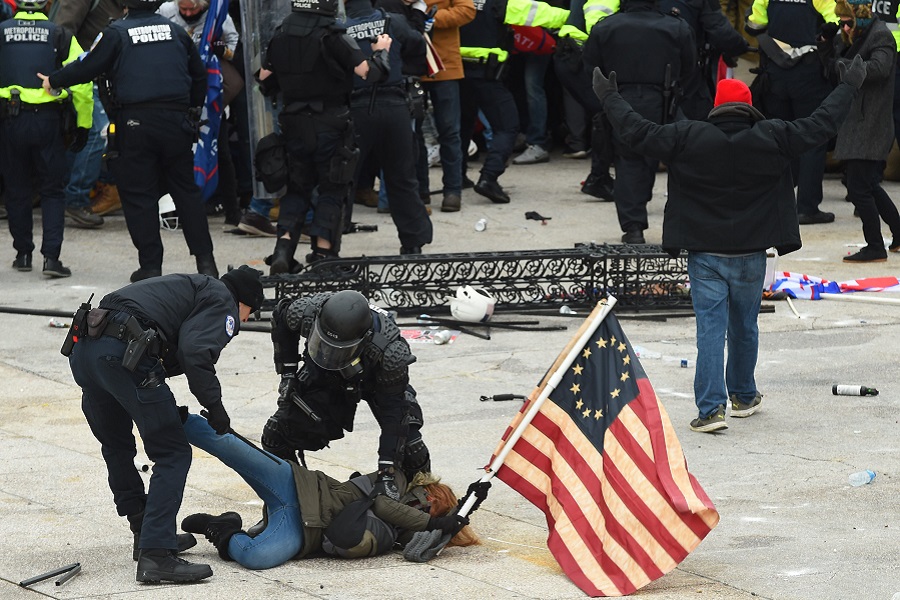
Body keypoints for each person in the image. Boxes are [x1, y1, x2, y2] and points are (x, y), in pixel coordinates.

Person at [590, 56, 865, 431]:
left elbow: (636, 131)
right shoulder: (774, 135)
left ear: (716, 107)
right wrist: (848, 86)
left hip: (705, 255)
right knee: (745, 327)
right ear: (749, 106)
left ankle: (711, 411)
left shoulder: (686, 136)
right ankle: (744, 395)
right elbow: (822, 122)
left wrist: (610, 98)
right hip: (752, 254)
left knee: (710, 331)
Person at [65, 265, 264, 582]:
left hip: (85, 352)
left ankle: (145, 531)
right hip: (123, 355)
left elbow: (172, 342)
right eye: (251, 312)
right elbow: (195, 350)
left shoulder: (189, 286)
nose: (247, 319)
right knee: (172, 453)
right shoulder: (223, 299)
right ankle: (156, 554)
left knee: (116, 447)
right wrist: (215, 406)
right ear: (244, 301)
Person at [39, 0, 219, 283]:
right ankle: (206, 263)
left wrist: (54, 80)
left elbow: (88, 66)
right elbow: (199, 75)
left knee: (139, 195)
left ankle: (150, 267)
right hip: (176, 123)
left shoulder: (116, 33)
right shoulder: (175, 31)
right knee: (186, 192)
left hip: (135, 123)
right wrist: (191, 113)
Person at [178, 411, 477, 569]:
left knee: (255, 558)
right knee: (231, 448)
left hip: (302, 530)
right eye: (430, 505)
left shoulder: (389, 536)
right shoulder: (394, 479)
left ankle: (220, 528)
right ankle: (173, 415)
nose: (424, 509)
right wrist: (434, 523)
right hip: (299, 487)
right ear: (431, 494)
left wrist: (436, 532)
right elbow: (385, 505)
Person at [258, 0, 392, 270]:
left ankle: (283, 251)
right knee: (332, 188)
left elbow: (263, 78)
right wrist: (381, 52)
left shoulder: (280, 35)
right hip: (330, 124)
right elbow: (371, 73)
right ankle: (323, 254)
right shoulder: (333, 36)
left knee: (296, 188)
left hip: (293, 124)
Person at [261, 290, 431, 501]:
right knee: (275, 435)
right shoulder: (307, 311)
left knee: (412, 450)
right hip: (323, 372)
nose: (333, 353)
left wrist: (387, 470)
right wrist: (287, 373)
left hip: (376, 377)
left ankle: (423, 509)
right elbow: (281, 318)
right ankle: (292, 504)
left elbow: (394, 413)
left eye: (339, 350)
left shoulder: (390, 352)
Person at [583, 0, 694, 244]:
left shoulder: (605, 27)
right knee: (680, 159)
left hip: (619, 99)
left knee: (629, 161)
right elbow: (689, 68)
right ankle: (683, 227)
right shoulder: (676, 26)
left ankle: (634, 229)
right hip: (663, 101)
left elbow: (591, 69)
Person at [1, 0, 93, 278]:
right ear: (45, 5)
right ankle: (51, 259)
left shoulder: (1, 31)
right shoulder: (59, 34)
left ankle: (23, 254)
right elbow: (83, 81)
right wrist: (83, 126)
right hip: (47, 121)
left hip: (9, 121)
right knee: (52, 190)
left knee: (16, 189)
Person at [342, 0, 434, 255]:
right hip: (395, 106)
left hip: (356, 109)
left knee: (341, 180)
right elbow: (417, 45)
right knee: (402, 177)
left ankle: (328, 248)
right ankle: (413, 243)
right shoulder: (393, 21)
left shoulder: (340, 28)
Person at [458, 0, 569, 205]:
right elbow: (539, 13)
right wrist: (576, 19)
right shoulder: (498, 3)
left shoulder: (455, 2)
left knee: (463, 126)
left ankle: (456, 179)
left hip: (456, 74)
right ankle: (489, 178)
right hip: (486, 74)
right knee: (507, 126)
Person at [819, 0, 900, 262]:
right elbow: (831, 69)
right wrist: (826, 42)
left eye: (847, 22)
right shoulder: (856, 36)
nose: (844, 26)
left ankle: (875, 246)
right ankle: (898, 235)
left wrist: (845, 65)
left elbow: (879, 68)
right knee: (868, 185)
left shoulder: (880, 36)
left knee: (859, 188)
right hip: (858, 122)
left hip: (871, 123)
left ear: (860, 19)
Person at [745, 0, 838, 225]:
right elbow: (833, 23)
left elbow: (755, 24)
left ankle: (773, 202)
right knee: (812, 138)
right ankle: (806, 208)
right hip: (809, 75)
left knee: (778, 138)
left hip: (776, 74)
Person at [53, 0, 125, 229]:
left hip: (108, 77)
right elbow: (62, 32)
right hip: (84, 76)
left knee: (88, 135)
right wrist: (68, 74)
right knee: (97, 134)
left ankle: (69, 191)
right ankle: (75, 199)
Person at [421, 0, 476, 213]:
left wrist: (432, 18)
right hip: (412, 63)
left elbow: (467, 10)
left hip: (445, 66)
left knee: (450, 131)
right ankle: (420, 191)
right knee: (413, 135)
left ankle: (452, 191)